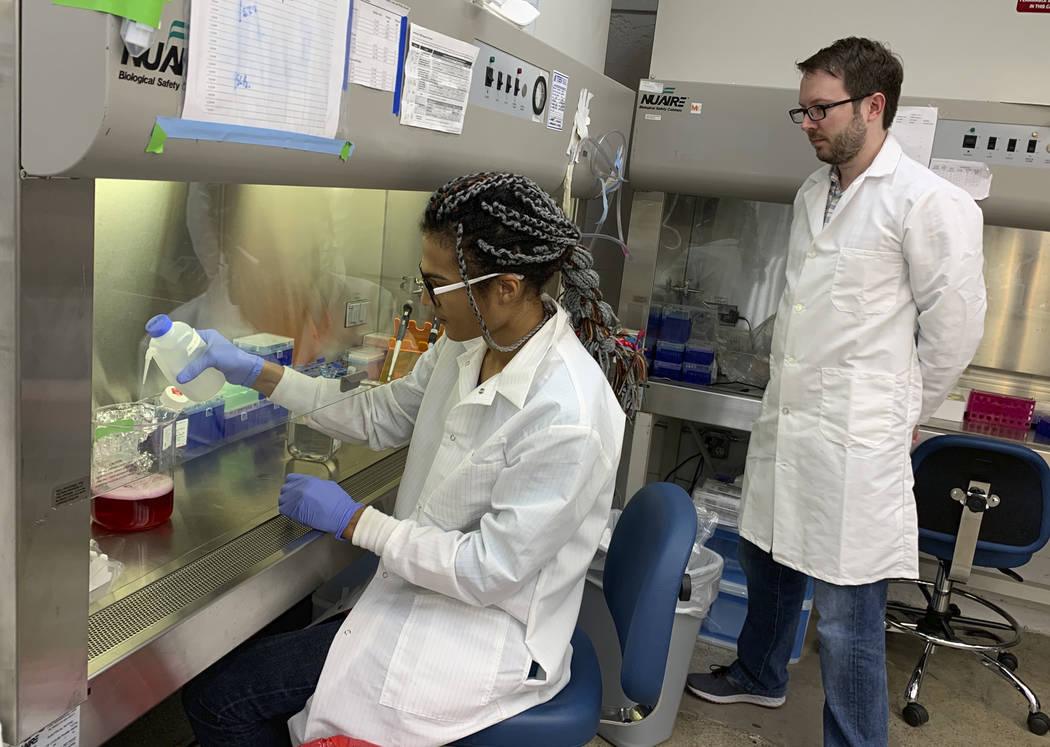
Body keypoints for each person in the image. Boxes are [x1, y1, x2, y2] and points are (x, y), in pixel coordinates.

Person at [178, 172, 646, 747]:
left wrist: (357, 522)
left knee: (219, 701)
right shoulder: (468, 344)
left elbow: (485, 570)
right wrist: (261, 375)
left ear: (505, 287)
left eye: (438, 284)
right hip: (422, 594)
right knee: (268, 662)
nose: (426, 300)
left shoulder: (567, 412)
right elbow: (380, 415)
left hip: (480, 632)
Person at [685, 37, 987, 746]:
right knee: (766, 556)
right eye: (804, 110)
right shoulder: (810, 193)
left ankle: (855, 739)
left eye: (821, 109)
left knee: (849, 612)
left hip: (858, 439)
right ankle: (761, 673)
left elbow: (954, 329)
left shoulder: (929, 203)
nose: (809, 123)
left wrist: (898, 413)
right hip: (790, 421)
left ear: (874, 106)